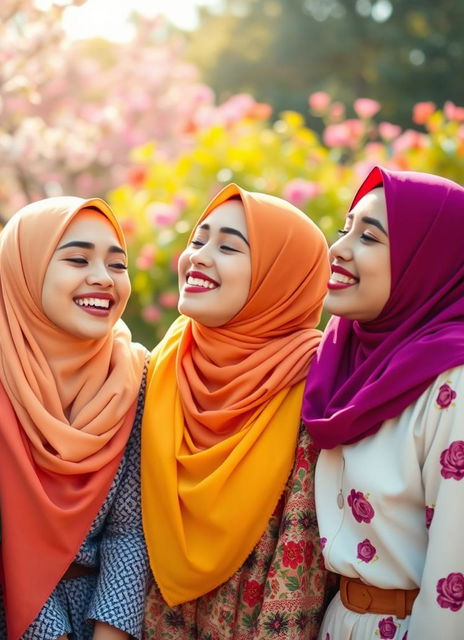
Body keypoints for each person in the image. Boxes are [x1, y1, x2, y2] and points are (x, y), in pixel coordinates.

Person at [142, 184, 333, 640]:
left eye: (228, 247)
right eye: (198, 239)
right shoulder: (164, 363)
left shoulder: (313, 380)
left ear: (280, 276)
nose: (200, 257)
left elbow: (300, 550)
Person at [0, 197, 149, 640]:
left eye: (117, 264)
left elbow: (129, 529)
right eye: (78, 259)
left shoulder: (134, 377)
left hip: (105, 617)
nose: (102, 279)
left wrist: (112, 631)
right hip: (2, 616)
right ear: (25, 270)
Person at [302, 167, 464, 639]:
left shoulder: (450, 379)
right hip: (339, 623)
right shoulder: (339, 358)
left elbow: (456, 564)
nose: (339, 249)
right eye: (344, 229)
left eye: (369, 236)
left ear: (428, 260)